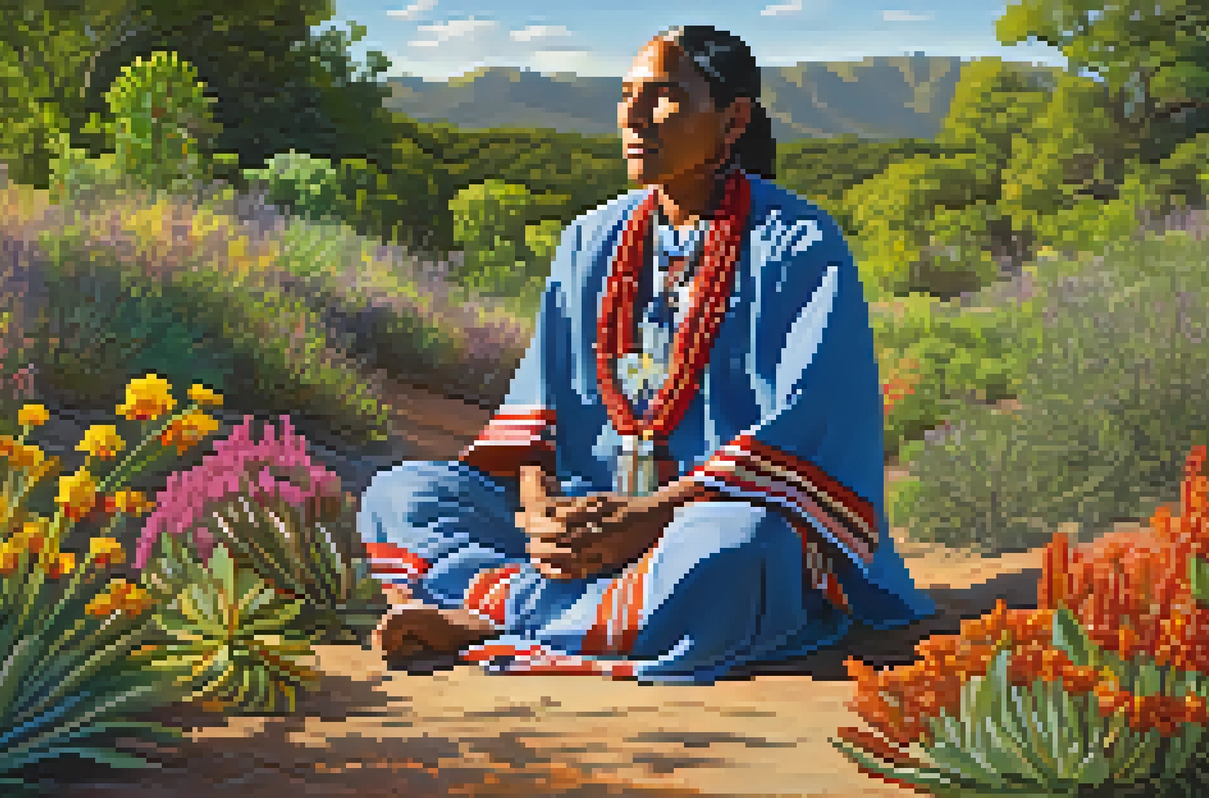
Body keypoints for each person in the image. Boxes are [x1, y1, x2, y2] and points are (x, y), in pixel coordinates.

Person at [358, 24, 936, 683]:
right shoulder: (589, 239)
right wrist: (541, 511)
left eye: (662, 97)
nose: (633, 117)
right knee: (400, 494)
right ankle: (577, 612)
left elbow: (815, 421)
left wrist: (654, 515)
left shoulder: (798, 241)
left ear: (733, 118)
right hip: (590, 514)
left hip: (711, 515)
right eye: (626, 95)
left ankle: (498, 617)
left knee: (735, 553)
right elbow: (535, 410)